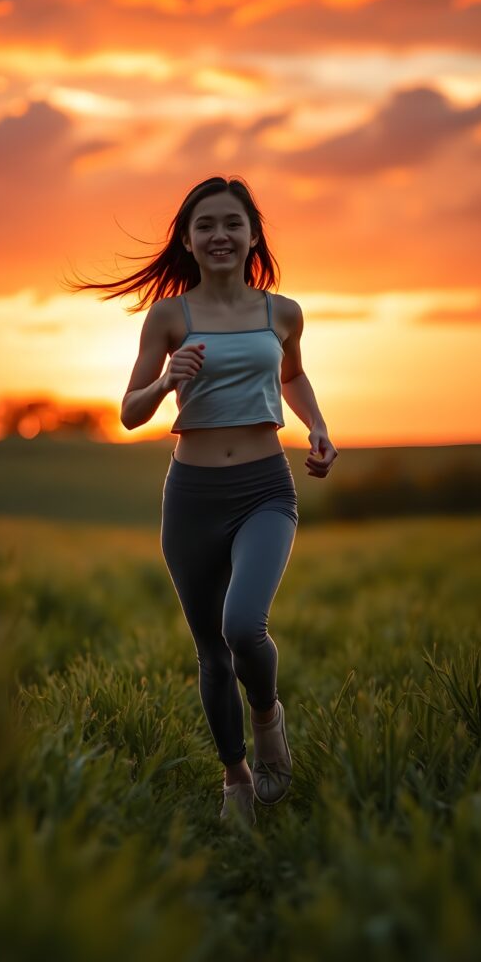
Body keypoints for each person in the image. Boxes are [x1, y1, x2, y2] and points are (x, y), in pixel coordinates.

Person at [62, 175, 337, 827]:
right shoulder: (170, 317)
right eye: (205, 224)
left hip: (265, 488)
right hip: (191, 497)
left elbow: (292, 375)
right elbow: (128, 414)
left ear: (251, 236)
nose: (219, 234)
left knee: (244, 626)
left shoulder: (282, 312)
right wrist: (164, 381)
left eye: (232, 223)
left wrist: (318, 426)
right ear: (186, 240)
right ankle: (234, 777)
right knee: (211, 652)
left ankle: (267, 717)